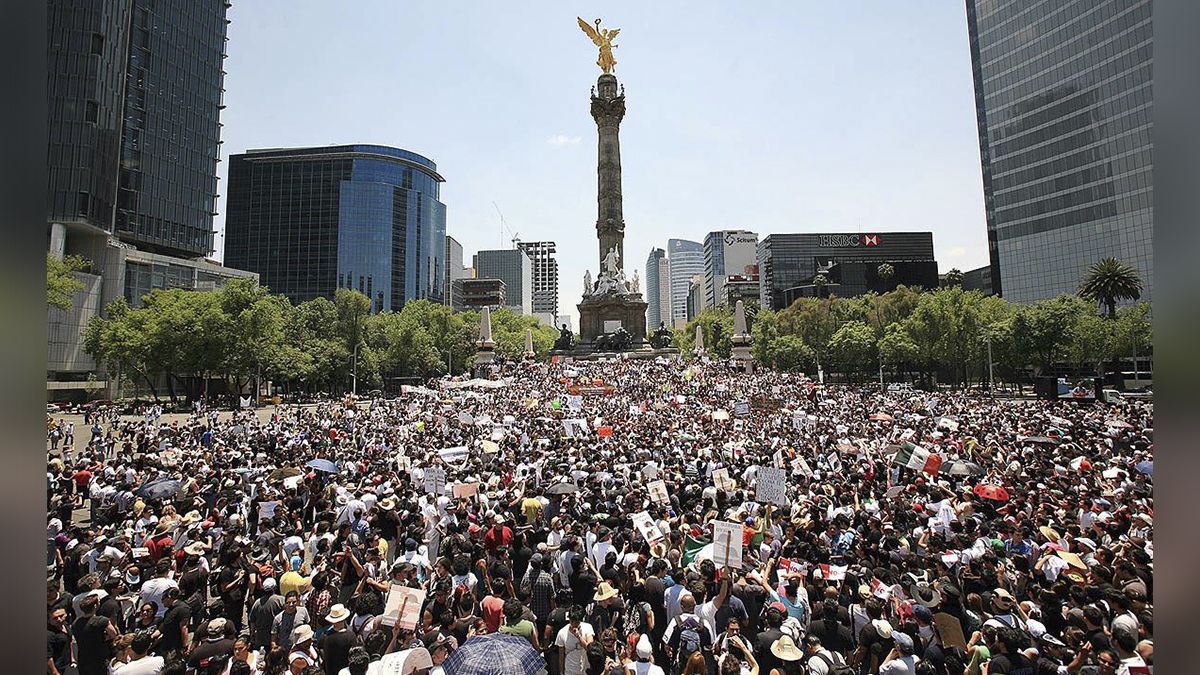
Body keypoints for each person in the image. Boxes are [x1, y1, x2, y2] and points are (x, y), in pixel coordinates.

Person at [319, 604, 359, 675]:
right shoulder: (350, 636)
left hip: (329, 671)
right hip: (345, 671)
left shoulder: (325, 635)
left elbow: (321, 650)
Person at [556, 606, 595, 675]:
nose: (574, 624)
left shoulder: (588, 628)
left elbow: (590, 649)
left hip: (585, 669)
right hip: (570, 670)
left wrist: (579, 636)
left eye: (577, 622)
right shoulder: (562, 633)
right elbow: (561, 656)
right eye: (572, 621)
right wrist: (561, 672)